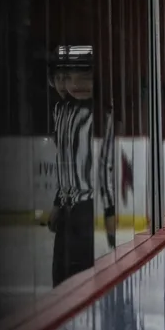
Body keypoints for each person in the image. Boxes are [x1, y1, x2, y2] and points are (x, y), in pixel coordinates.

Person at [47, 44, 116, 286]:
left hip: (86, 211)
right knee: (60, 281)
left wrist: (109, 213)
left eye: (82, 76)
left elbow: (105, 167)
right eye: (61, 77)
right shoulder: (60, 112)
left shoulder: (101, 116)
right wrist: (58, 203)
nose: (69, 83)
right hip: (69, 211)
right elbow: (64, 162)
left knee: (79, 283)